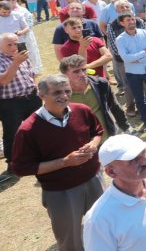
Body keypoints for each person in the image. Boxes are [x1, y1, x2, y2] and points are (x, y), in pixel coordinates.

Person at [11, 75, 103, 251]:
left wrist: (93, 144)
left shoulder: (82, 110)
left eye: (67, 91)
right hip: (61, 191)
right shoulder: (28, 129)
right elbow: (21, 168)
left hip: (93, 180)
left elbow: (97, 131)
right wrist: (64, 162)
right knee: (70, 238)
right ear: (41, 95)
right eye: (57, 92)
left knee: (103, 227)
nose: (64, 96)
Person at [59, 54, 134, 140]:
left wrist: (126, 127)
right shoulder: (60, 94)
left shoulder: (100, 84)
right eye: (76, 71)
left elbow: (114, 106)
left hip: (106, 136)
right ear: (65, 74)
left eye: (84, 69)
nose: (82, 74)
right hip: (80, 140)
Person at [0, 32, 41, 180]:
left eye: (15, 43)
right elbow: (3, 80)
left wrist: (36, 90)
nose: (13, 47)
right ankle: (13, 164)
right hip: (10, 102)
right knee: (12, 134)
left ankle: (40, 154)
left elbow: (31, 74)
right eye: (9, 45)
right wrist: (16, 62)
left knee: (39, 127)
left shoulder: (21, 55)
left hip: (31, 97)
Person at [115, 12, 146, 133]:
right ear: (122, 23)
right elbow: (125, 58)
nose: (131, 22)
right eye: (128, 20)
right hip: (133, 73)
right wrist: (144, 53)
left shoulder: (145, 33)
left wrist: (136, 59)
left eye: (133, 19)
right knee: (139, 99)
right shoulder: (120, 39)